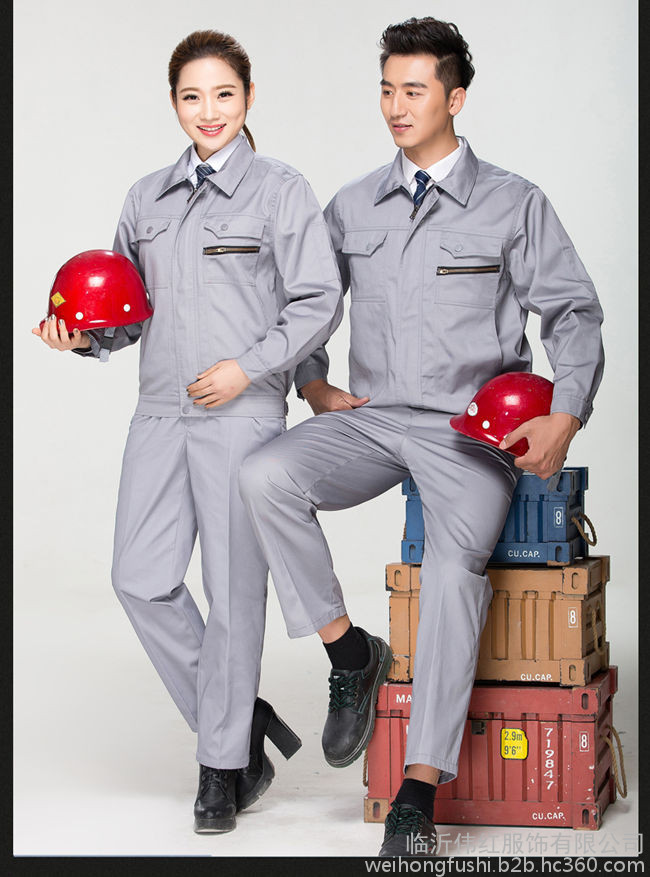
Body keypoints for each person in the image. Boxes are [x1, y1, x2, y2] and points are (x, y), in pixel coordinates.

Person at [239, 15, 604, 856]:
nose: (396, 106)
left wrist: (567, 411)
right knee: (262, 475)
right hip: (373, 418)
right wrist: (312, 380)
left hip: (469, 435)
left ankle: (417, 789)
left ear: (455, 98)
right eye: (386, 89)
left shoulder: (513, 202)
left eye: (414, 90)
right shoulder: (352, 204)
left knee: (449, 573)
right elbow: (305, 300)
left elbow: (574, 311)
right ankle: (350, 654)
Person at [32, 29, 343, 835]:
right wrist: (82, 337)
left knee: (234, 591)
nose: (209, 111)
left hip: (241, 414)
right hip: (161, 412)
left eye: (224, 94)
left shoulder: (280, 190)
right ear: (173, 102)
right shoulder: (147, 198)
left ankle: (221, 766)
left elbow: (316, 300)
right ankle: (236, 717)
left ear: (249, 97)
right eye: (192, 96)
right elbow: (125, 311)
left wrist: (250, 368)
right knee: (139, 576)